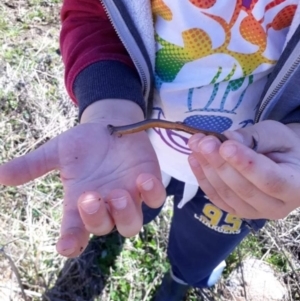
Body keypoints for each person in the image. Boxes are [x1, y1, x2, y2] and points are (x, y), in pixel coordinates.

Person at [1, 0, 300, 299]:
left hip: (244, 179)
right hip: (139, 159)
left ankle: (184, 277)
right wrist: (109, 103)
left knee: (200, 251)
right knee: (139, 205)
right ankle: (135, 230)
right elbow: (94, 16)